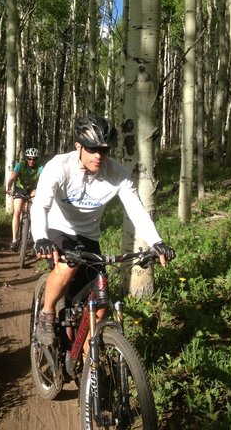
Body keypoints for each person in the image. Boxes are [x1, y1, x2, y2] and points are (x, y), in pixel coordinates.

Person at [31, 115, 175, 345]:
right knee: (69, 266)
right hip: (59, 228)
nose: (99, 156)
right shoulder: (59, 167)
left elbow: (136, 210)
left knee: (99, 306)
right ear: (78, 146)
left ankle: (91, 368)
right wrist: (40, 237)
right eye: (92, 149)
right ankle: (46, 314)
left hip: (89, 236)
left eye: (104, 150)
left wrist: (156, 242)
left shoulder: (116, 174)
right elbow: (41, 205)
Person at [7, 147, 43, 252]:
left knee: (34, 211)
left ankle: (32, 236)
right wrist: (9, 188)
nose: (32, 161)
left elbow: (45, 177)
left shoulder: (40, 167)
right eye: (29, 159)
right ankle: (14, 240)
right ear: (26, 158)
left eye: (34, 159)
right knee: (17, 212)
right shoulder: (21, 165)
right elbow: (12, 178)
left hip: (33, 189)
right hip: (20, 188)